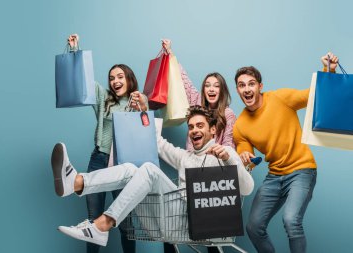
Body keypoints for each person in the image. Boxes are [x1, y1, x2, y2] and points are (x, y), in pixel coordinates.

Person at [51, 106, 254, 247]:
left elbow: (247, 188)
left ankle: (102, 225)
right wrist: (144, 110)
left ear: (212, 130)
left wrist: (229, 160)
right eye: (191, 127)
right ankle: (77, 182)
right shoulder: (185, 158)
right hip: (169, 221)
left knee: (148, 169)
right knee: (131, 169)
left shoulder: (226, 154)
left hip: (195, 225)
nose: (194, 130)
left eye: (199, 126)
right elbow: (157, 142)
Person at [232, 52, 339, 253]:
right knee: (253, 227)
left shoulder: (280, 98)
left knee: (291, 220)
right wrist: (246, 157)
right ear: (238, 90)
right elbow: (246, 153)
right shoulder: (240, 125)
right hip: (274, 177)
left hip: (302, 170)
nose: (247, 89)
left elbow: (312, 95)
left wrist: (328, 70)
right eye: (241, 85)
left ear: (260, 87)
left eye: (251, 83)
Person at [66, 34, 148, 253]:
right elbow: (86, 80)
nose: (115, 81)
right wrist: (75, 51)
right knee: (93, 222)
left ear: (129, 79)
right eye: (112, 78)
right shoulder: (105, 100)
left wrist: (142, 105)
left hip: (124, 165)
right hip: (99, 160)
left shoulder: (136, 102)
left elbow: (146, 125)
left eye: (120, 76)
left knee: (126, 224)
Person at [162, 39, 236, 151]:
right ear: (203, 89)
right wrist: (170, 52)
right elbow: (184, 80)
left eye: (216, 86)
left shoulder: (228, 114)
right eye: (207, 85)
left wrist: (218, 156)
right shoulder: (197, 102)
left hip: (215, 163)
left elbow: (228, 144)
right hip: (192, 161)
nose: (211, 89)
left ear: (222, 91)